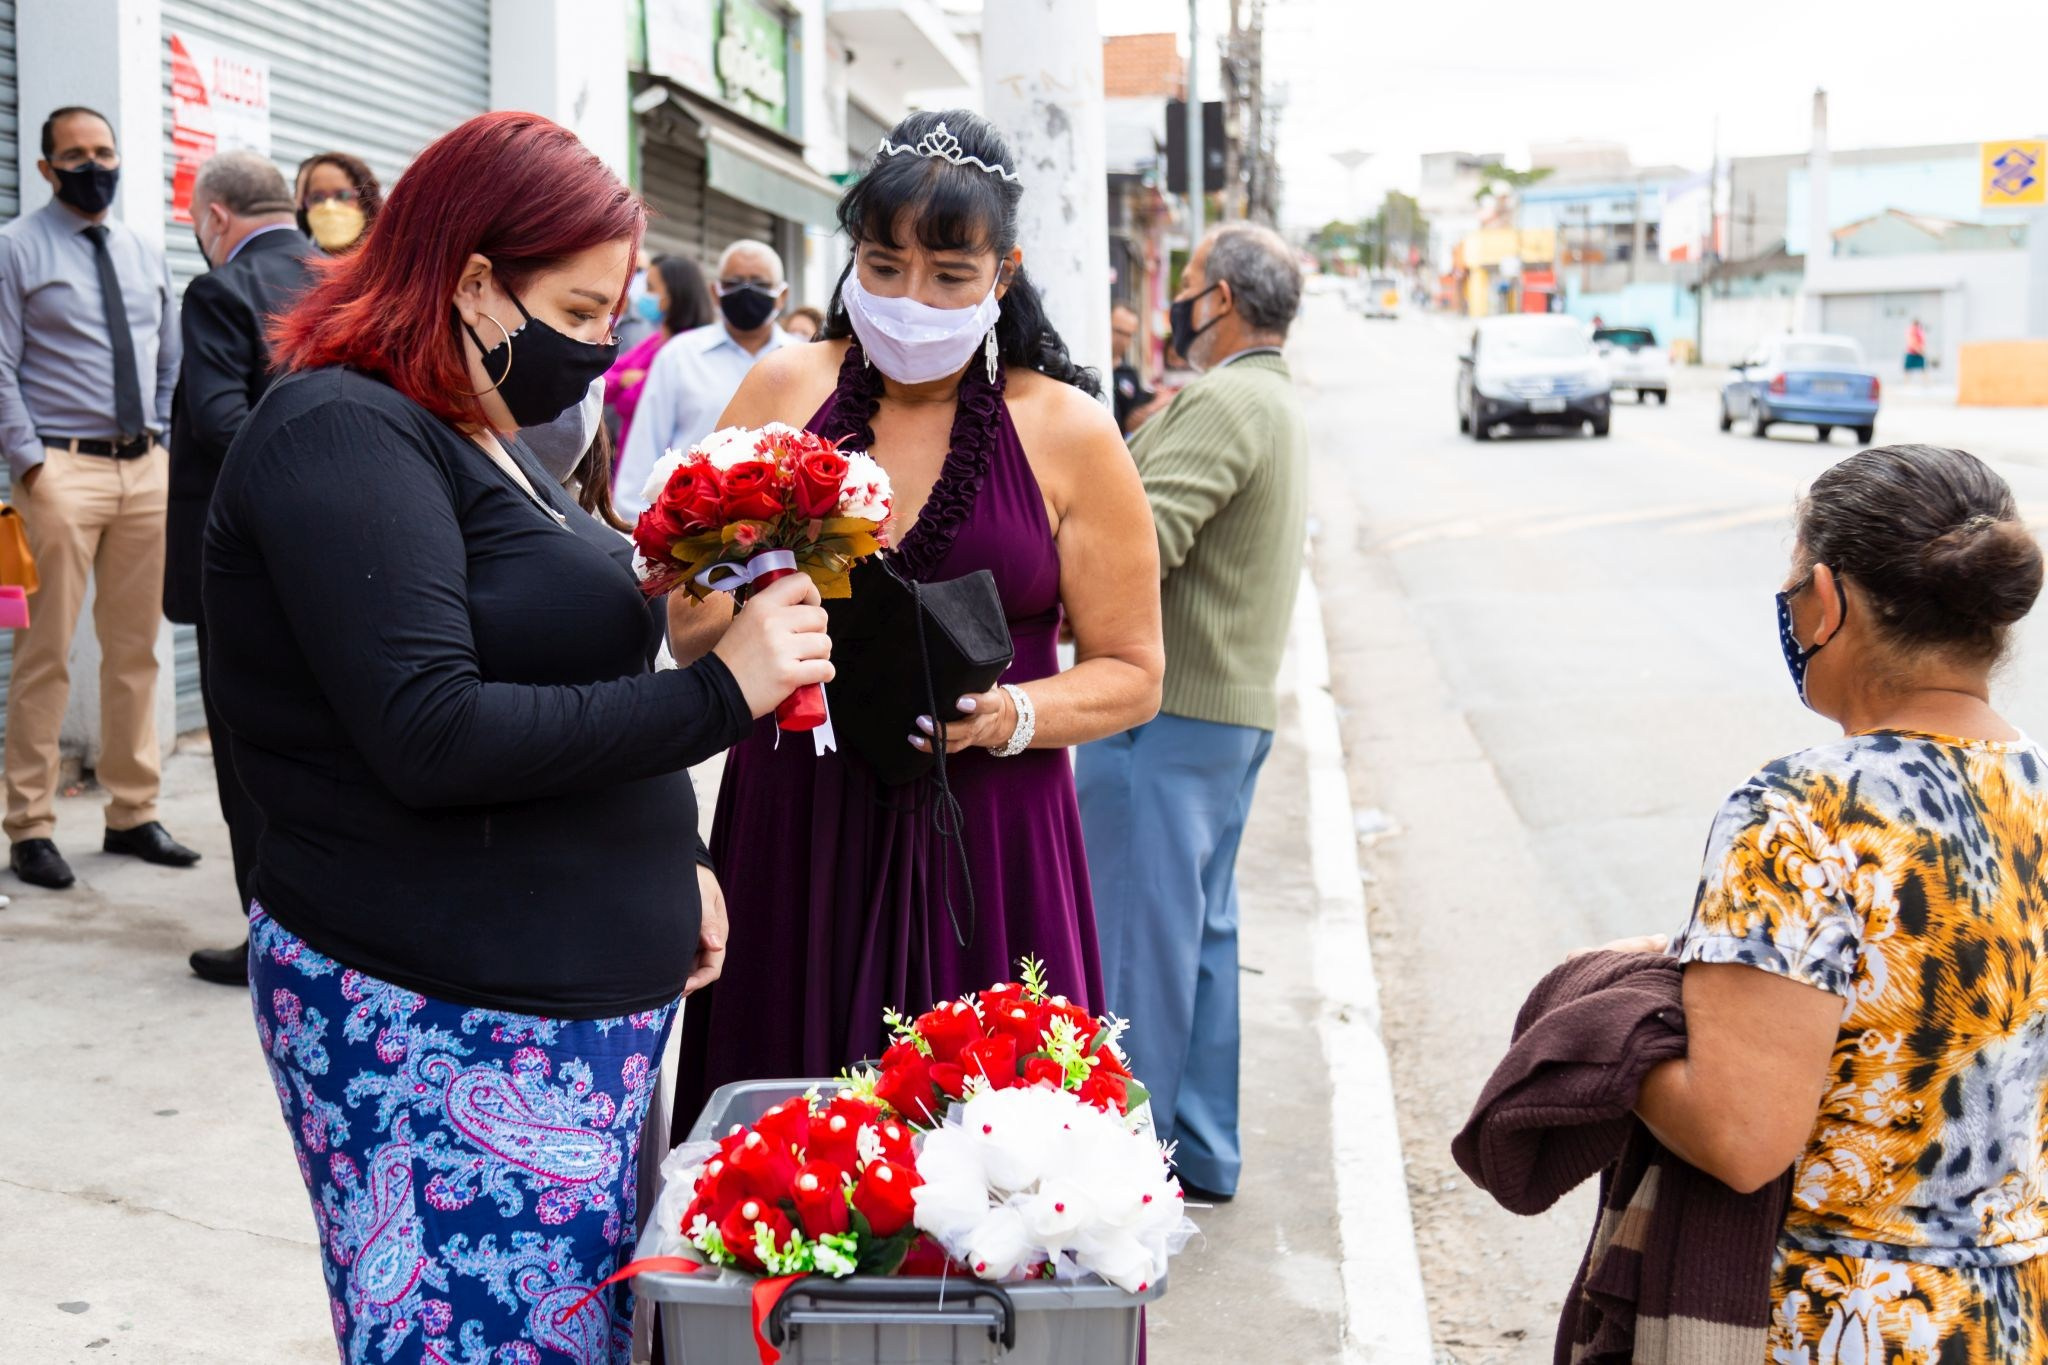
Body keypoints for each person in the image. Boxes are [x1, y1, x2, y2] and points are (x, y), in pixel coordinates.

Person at [207, 111, 830, 1363]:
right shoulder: (341, 431)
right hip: (435, 1011)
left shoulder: (476, 428)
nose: (600, 347)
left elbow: (566, 676)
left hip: (556, 1009)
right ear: (475, 280)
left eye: (613, 315)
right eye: (580, 310)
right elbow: (433, 731)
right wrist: (721, 697)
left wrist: (672, 856)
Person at [665, 109, 1164, 1133]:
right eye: (884, 267)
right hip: (796, 820)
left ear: (1003, 273)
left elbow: (1133, 670)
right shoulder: (782, 387)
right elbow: (685, 626)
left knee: (997, 1156)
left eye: (948, 275)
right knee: (781, 1150)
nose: (911, 301)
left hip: (990, 831)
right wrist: (749, 580)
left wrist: (1010, 715)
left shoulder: (1068, 429)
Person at [1593, 445, 2048, 1356]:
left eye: (1795, 583)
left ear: (1828, 600)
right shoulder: (2033, 790)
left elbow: (1741, 1134)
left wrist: (1609, 1023)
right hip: (2012, 1315)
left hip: (1840, 1323)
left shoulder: (1801, 811)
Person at [1074, 223, 1308, 1203]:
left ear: (1221, 300)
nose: (1177, 299)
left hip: (1166, 710)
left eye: (1189, 282)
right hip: (1227, 711)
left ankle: (1122, 1166)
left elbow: (1140, 542)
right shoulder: (1275, 400)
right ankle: (1200, 1149)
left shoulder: (1222, 400)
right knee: (1197, 939)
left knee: (1135, 946)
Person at [0, 106, 198, 890]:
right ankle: (30, 824)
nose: (94, 165)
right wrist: (31, 463)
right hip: (60, 470)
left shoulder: (143, 249)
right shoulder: (16, 247)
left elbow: (169, 358)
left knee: (136, 650)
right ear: (46, 168)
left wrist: (163, 445)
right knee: (45, 652)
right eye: (76, 154)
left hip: (143, 469)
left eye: (104, 151)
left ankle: (132, 811)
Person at [171, 149, 318, 986]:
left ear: (216, 217)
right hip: (345, 553)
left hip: (246, 564)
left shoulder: (220, 290)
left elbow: (219, 417)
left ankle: (271, 941)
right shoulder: (343, 277)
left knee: (246, 757)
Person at [613, 238, 793, 517]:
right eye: (734, 283)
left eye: (760, 283)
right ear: (715, 292)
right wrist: (631, 523)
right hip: (689, 526)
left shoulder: (800, 360)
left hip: (787, 531)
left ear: (782, 295)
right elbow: (644, 447)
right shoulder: (679, 355)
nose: (746, 291)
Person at [602, 254, 712, 455]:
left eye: (651, 288)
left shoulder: (687, 350)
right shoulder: (656, 340)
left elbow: (628, 402)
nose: (644, 295)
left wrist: (625, 384)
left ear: (674, 296)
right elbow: (604, 379)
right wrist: (624, 380)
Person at [292, 150, 380, 255]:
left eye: (343, 196)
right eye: (317, 198)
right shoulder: (296, 259)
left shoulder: (386, 258)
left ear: (366, 199)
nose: (329, 207)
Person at [1109, 301, 1157, 435]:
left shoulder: (1130, 375)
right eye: (1118, 331)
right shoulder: (1086, 364)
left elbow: (1132, 423)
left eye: (1128, 335)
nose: (1122, 339)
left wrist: (1153, 406)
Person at [1905, 316, 1928, 380]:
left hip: (1919, 352)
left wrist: (1922, 349)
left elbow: (1922, 341)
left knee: (1923, 368)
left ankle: (1926, 382)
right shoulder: (1911, 331)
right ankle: (1906, 382)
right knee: (1907, 369)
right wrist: (1918, 350)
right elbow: (1911, 342)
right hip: (1912, 352)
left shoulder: (1919, 331)